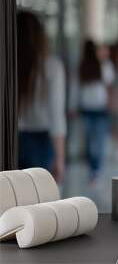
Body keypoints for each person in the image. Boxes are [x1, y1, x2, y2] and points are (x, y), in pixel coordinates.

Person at [17, 11, 66, 183]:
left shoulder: (8, 65)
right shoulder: (51, 66)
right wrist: (59, 157)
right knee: (36, 201)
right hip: (41, 141)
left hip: (11, 137)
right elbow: (56, 116)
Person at [79, 40, 114, 183]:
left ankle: (94, 168)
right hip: (95, 107)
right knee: (96, 140)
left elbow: (108, 85)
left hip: (91, 106)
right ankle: (94, 168)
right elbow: (109, 85)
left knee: (92, 139)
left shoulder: (103, 65)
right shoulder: (99, 65)